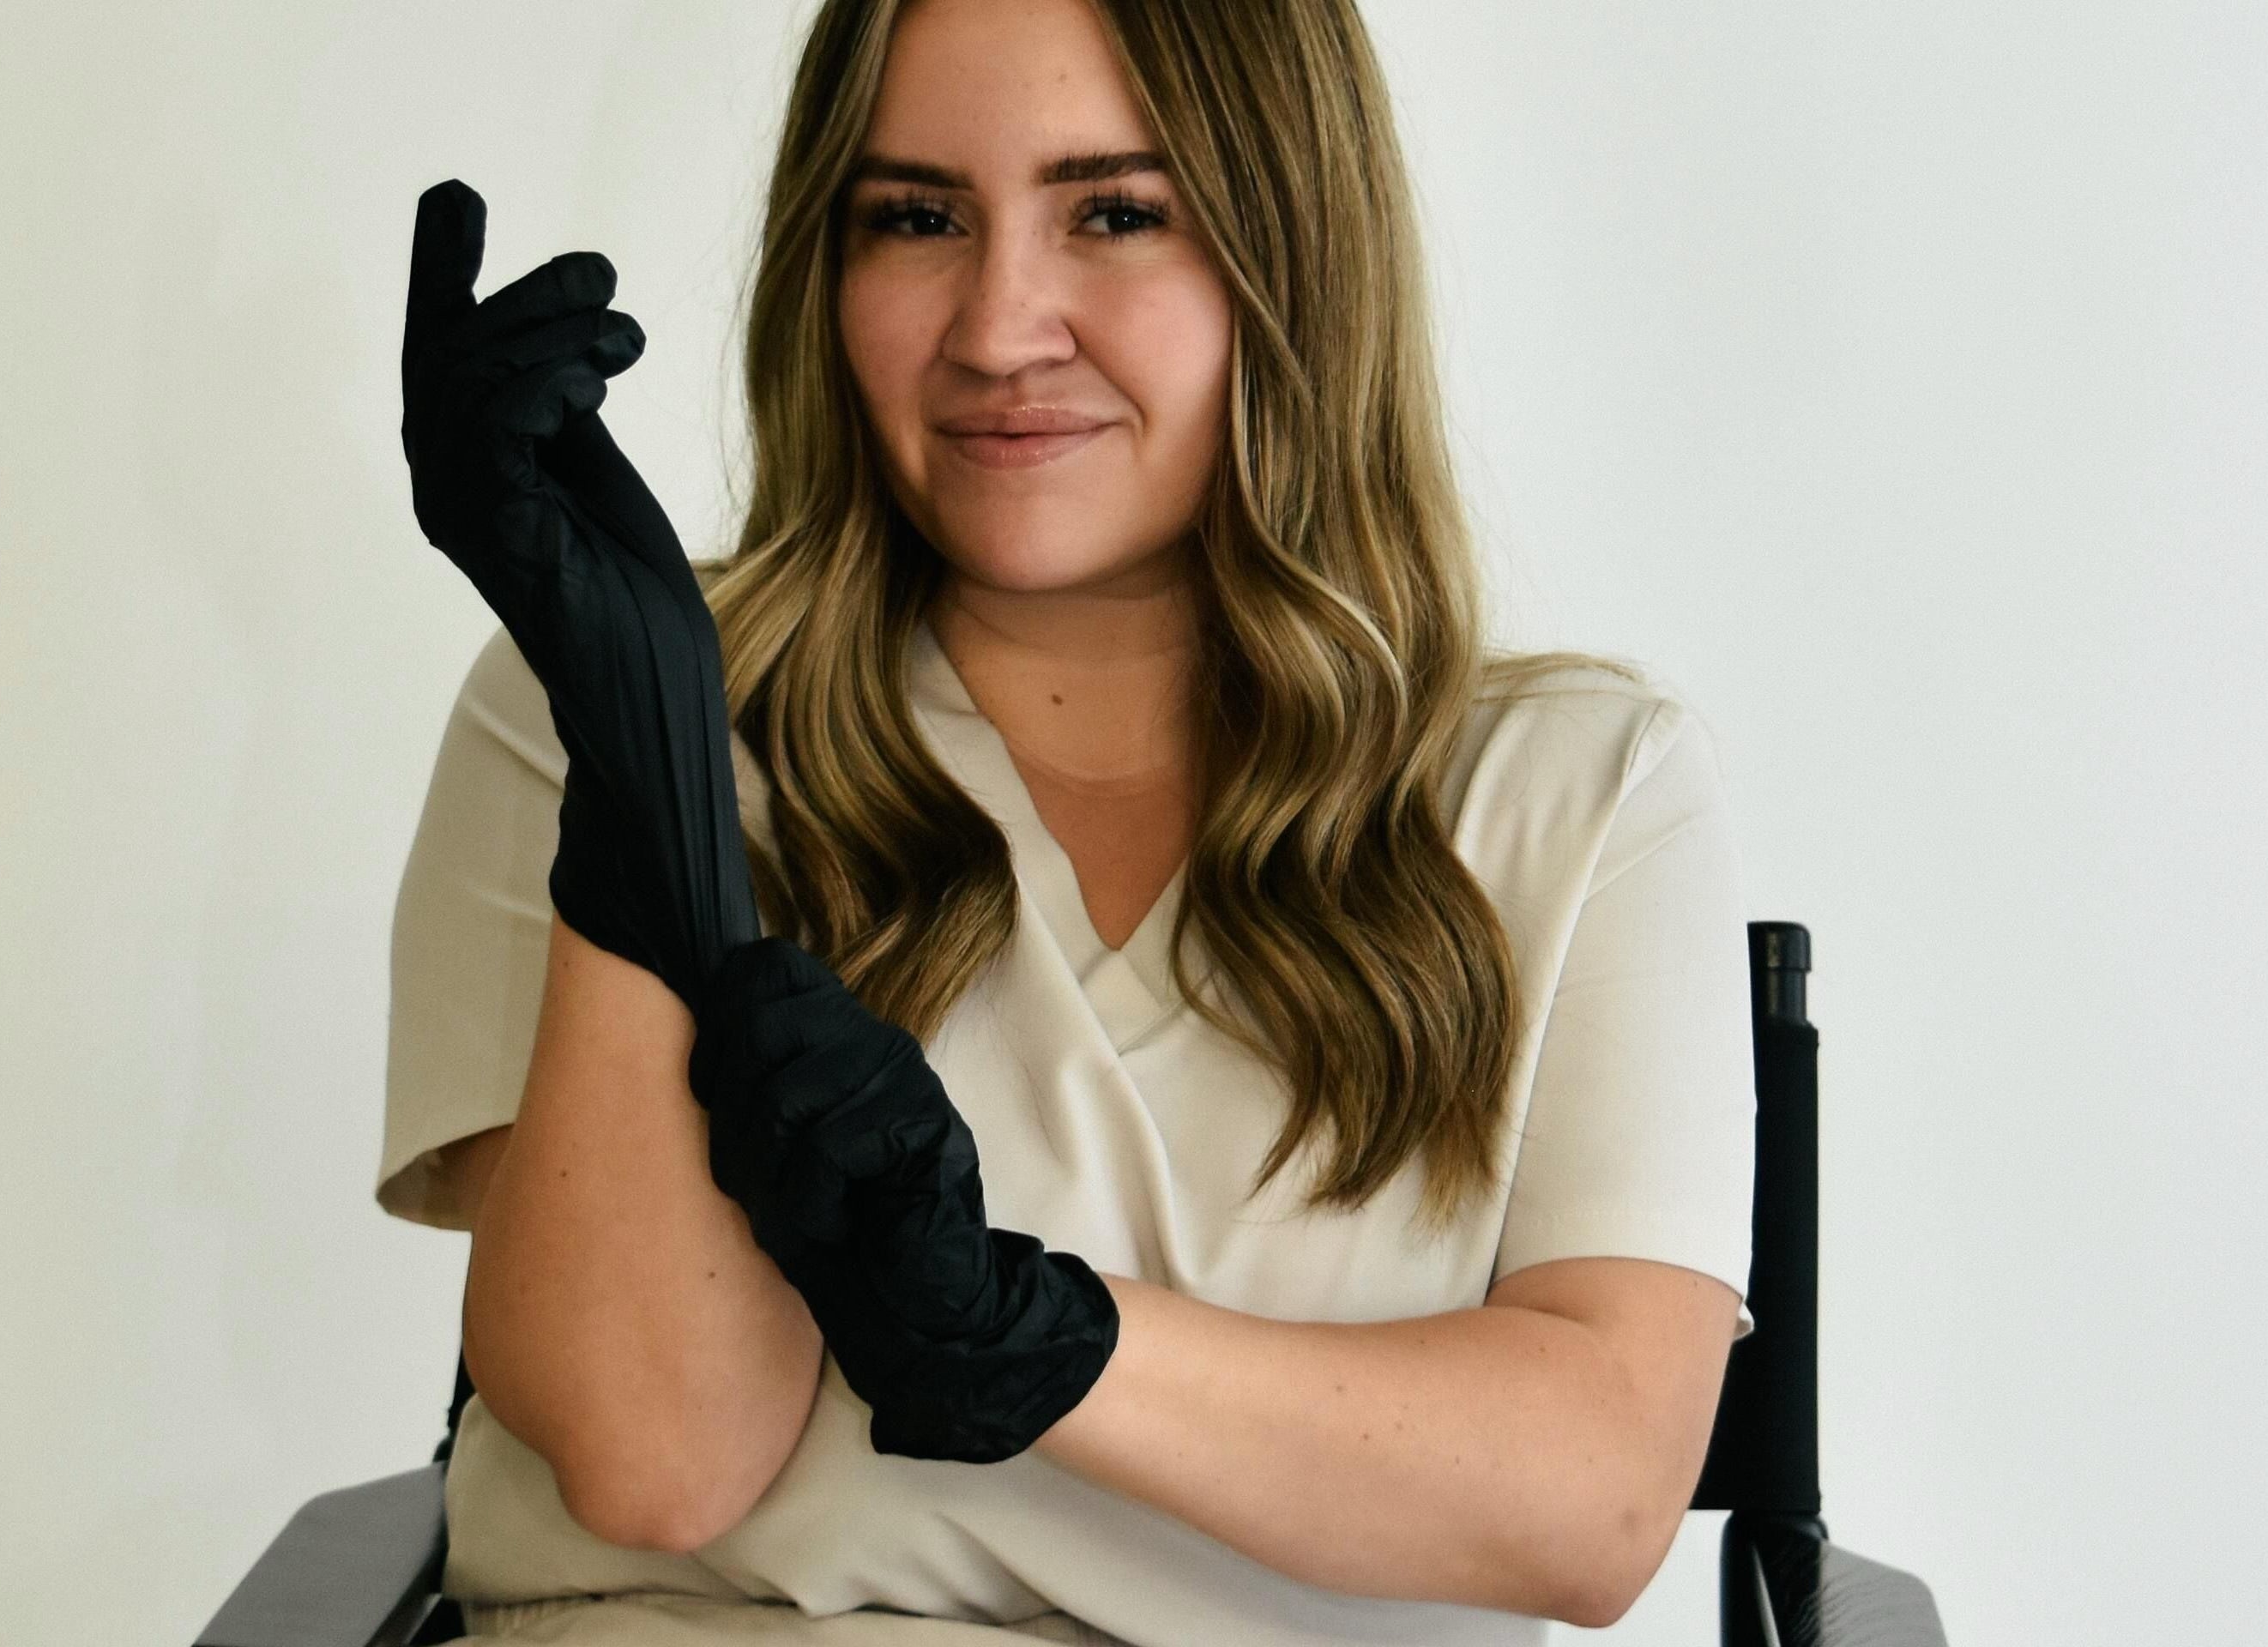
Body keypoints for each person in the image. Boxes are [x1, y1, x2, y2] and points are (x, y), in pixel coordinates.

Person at [375, 0, 1758, 1641]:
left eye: (1116, 212)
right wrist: (656, 790)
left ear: (1294, 252)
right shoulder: (599, 694)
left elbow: (1591, 1502)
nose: (998, 323)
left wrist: (1042, 1338)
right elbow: (652, 1462)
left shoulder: (1572, 789)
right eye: (916, 218)